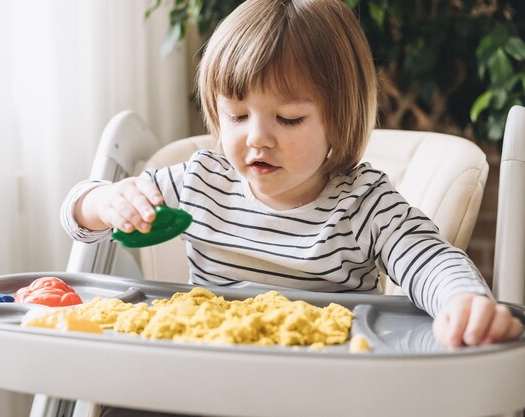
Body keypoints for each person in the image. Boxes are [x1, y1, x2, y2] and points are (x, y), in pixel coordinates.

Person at [61, 0, 522, 350]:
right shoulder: (201, 180)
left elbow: (429, 259)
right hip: (208, 369)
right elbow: (77, 216)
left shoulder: (365, 204)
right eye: (238, 116)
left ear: (339, 121)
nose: (257, 138)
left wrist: (463, 302)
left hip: (320, 379)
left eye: (289, 119)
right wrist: (105, 204)